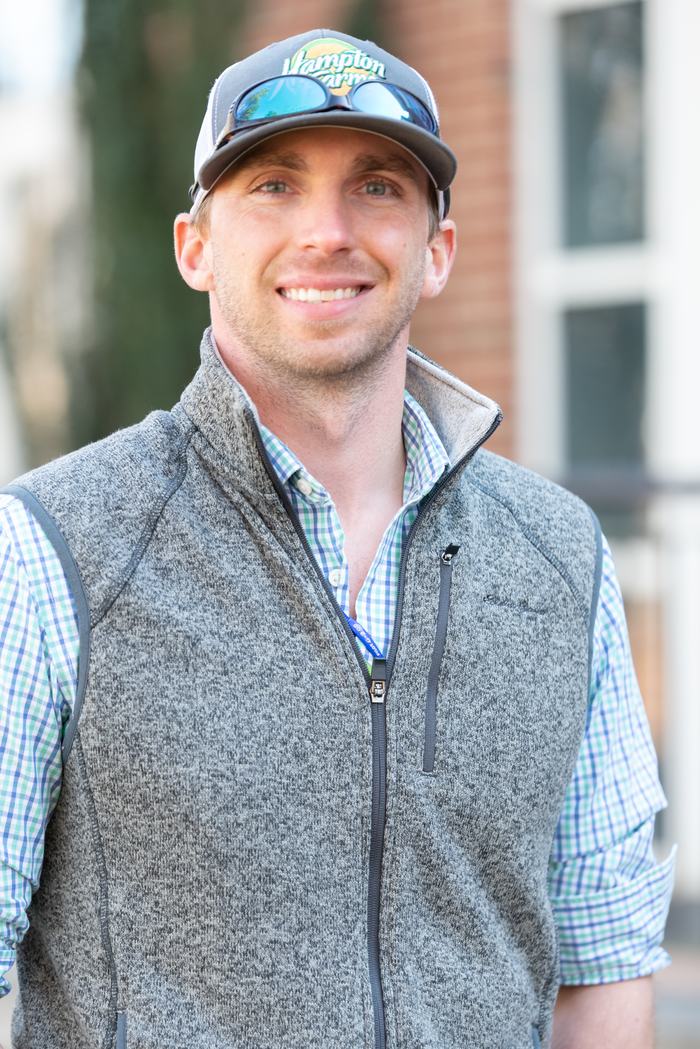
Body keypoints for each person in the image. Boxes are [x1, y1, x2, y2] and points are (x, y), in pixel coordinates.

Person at [0, 28, 674, 1049]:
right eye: (272, 185)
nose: (327, 231)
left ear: (436, 251)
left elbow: (604, 963)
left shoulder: (558, 559)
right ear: (195, 247)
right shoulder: (55, 549)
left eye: (377, 187)